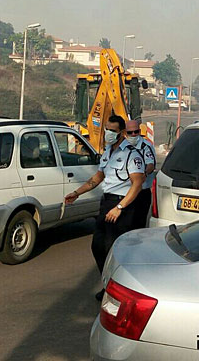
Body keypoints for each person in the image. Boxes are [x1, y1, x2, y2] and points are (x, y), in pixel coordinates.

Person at [64, 114, 145, 300]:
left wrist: (120, 207)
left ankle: (121, 291)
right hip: (106, 202)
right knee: (97, 246)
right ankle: (109, 285)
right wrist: (77, 193)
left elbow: (137, 184)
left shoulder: (131, 154)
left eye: (113, 130)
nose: (108, 133)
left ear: (122, 132)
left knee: (114, 250)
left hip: (123, 205)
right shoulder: (108, 152)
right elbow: (97, 178)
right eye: (107, 129)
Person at [124, 119, 156, 229]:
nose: (133, 135)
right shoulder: (121, 147)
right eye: (130, 132)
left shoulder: (146, 146)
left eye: (136, 132)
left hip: (141, 192)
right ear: (125, 133)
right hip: (125, 192)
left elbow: (151, 164)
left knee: (138, 225)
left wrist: (144, 174)